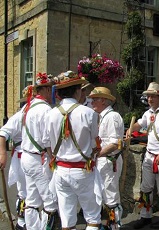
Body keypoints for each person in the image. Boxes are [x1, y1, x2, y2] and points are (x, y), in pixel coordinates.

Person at [44, 71, 102, 230]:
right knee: (92, 216)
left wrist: (55, 158)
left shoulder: (50, 114)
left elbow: (46, 143)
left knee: (67, 220)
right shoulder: (89, 113)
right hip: (82, 170)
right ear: (77, 91)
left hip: (60, 170)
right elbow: (95, 144)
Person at [126, 82, 159, 229]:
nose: (149, 99)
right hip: (149, 154)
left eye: (152, 96)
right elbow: (140, 124)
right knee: (146, 187)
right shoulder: (148, 113)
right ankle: (146, 216)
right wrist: (130, 129)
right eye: (148, 96)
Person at [20, 72, 58, 230]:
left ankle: (31, 228)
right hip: (38, 159)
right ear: (47, 90)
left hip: (26, 157)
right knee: (50, 202)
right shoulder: (45, 110)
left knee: (32, 200)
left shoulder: (28, 107)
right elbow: (46, 140)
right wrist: (52, 158)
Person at [88, 87, 124, 230]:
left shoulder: (112, 117)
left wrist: (96, 155)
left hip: (109, 162)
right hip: (102, 161)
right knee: (102, 194)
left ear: (103, 100)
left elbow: (115, 144)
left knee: (111, 196)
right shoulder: (101, 116)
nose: (91, 102)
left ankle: (114, 226)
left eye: (94, 99)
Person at [0, 86, 33, 230]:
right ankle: (22, 222)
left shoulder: (36, 113)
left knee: (32, 193)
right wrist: (2, 154)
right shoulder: (21, 115)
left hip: (34, 159)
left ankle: (30, 222)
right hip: (22, 158)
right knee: (25, 192)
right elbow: (3, 132)